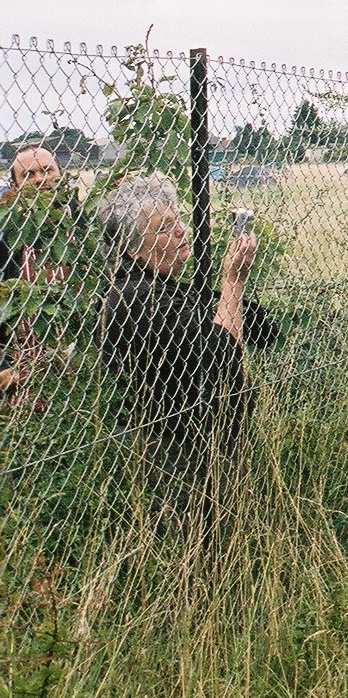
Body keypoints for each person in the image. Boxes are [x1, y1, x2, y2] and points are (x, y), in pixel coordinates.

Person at [95, 172, 257, 510]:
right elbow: (222, 351)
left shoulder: (156, 286)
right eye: (165, 227)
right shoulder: (138, 297)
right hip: (177, 460)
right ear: (133, 247)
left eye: (178, 219)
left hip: (199, 449)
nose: (183, 230)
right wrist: (233, 280)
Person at [0, 146, 70, 408]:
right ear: (15, 186)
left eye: (47, 170)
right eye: (28, 175)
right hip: (24, 365)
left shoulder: (79, 225)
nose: (40, 179)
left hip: (77, 356)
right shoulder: (9, 236)